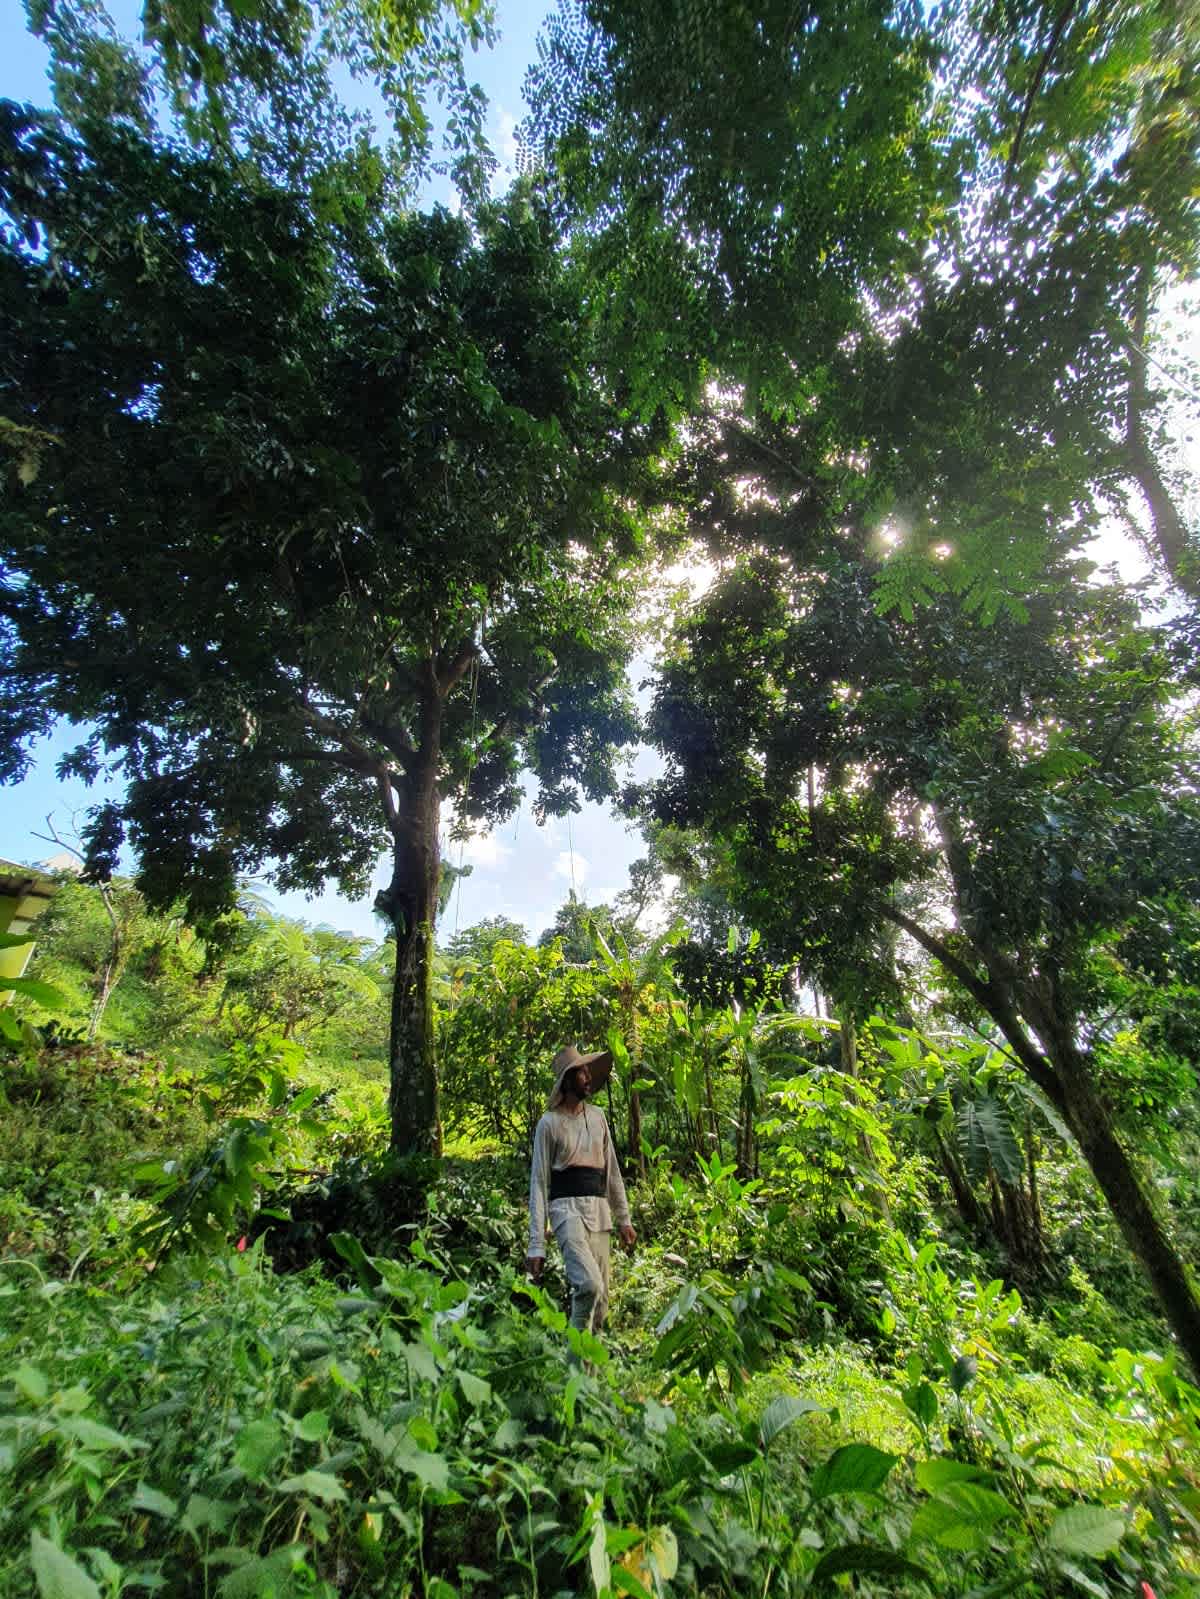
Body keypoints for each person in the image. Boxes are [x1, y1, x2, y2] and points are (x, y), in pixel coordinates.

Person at [526, 1043, 636, 1341]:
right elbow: (538, 1182)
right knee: (589, 1285)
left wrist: (623, 1217)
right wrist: (536, 1244)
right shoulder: (549, 1124)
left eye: (589, 1071)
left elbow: (610, 1170)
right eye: (581, 1072)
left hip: (599, 1213)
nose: (588, 1077)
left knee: (600, 1306)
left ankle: (589, 1381)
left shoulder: (598, 1117)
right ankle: (574, 1364)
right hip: (566, 1212)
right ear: (567, 1080)